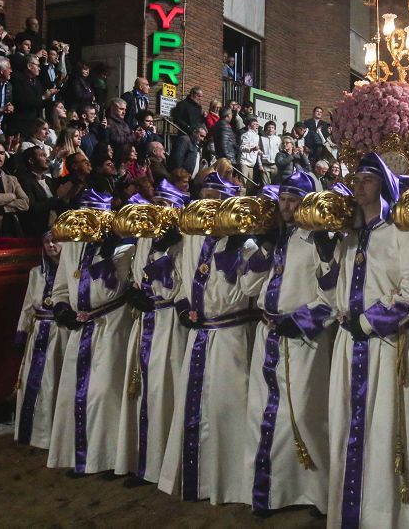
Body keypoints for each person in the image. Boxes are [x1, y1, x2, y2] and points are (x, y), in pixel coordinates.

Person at [325, 153, 409, 529]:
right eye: (356, 179)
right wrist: (328, 263)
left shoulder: (402, 230)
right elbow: (334, 290)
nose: (359, 185)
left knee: (385, 429)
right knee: (345, 426)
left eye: (368, 180)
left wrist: (369, 322)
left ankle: (385, 517)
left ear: (383, 185)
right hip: (348, 345)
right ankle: (347, 514)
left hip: (387, 347)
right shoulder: (349, 235)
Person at [239, 170, 335, 516]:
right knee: (261, 414)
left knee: (304, 415)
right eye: (282, 199)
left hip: (302, 339)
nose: (286, 206)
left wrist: (303, 322)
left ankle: (315, 494)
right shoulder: (276, 240)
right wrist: (263, 249)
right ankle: (269, 492)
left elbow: (333, 293)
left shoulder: (320, 241)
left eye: (293, 199)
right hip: (269, 336)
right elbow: (249, 287)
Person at [157, 172, 258, 503]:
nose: (207, 206)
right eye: (203, 198)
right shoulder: (190, 239)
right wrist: (184, 305)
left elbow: (253, 288)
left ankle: (231, 483)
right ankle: (197, 478)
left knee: (229, 406)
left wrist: (254, 251)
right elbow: (180, 280)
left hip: (231, 336)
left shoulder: (244, 242)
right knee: (196, 406)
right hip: (200, 336)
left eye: (215, 199)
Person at [47, 188, 136, 474]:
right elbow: (61, 285)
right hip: (82, 327)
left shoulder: (123, 248)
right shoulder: (72, 246)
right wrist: (62, 308)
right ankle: (78, 456)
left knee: (104, 392)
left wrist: (109, 256)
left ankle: (108, 459)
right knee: (75, 393)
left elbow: (116, 286)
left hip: (111, 324)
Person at [114, 180, 188, 487]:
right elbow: (134, 272)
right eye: (154, 203)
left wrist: (162, 257)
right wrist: (132, 290)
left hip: (168, 322)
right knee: (140, 390)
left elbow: (180, 284)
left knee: (162, 390)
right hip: (146, 320)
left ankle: (161, 464)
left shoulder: (183, 240)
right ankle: (138, 461)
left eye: (163, 204)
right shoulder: (145, 237)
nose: (156, 210)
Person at [14, 232, 67, 450]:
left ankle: (54, 436)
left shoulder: (71, 272)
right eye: (46, 242)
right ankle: (34, 434)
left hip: (60, 334)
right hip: (38, 334)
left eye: (55, 240)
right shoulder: (36, 273)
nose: (51, 245)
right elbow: (28, 304)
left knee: (54, 382)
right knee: (34, 383)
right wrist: (22, 331)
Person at [17, 145, 59, 238]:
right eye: (42, 156)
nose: (47, 159)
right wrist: (56, 199)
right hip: (37, 232)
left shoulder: (49, 180)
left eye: (46, 155)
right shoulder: (24, 181)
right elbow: (32, 207)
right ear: (31, 161)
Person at [10, 55, 54, 136]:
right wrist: (43, 97)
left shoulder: (37, 82)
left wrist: (48, 97)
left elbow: (40, 103)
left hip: (35, 124)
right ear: (29, 66)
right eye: (37, 65)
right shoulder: (17, 79)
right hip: (21, 124)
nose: (39, 68)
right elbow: (22, 101)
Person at [239, 116, 261, 185]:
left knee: (250, 186)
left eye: (257, 124)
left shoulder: (257, 136)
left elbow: (256, 148)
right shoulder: (246, 135)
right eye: (254, 124)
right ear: (249, 126)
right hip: (244, 162)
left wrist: (259, 151)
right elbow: (242, 148)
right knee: (243, 184)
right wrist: (252, 149)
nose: (256, 126)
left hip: (252, 164)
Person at [258, 120, 280, 185]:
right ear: (266, 129)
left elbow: (280, 151)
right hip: (265, 165)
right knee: (266, 185)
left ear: (275, 129)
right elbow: (258, 153)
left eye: (272, 128)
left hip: (275, 165)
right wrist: (260, 165)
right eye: (269, 127)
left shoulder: (278, 139)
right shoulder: (261, 138)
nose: (271, 129)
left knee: (275, 184)